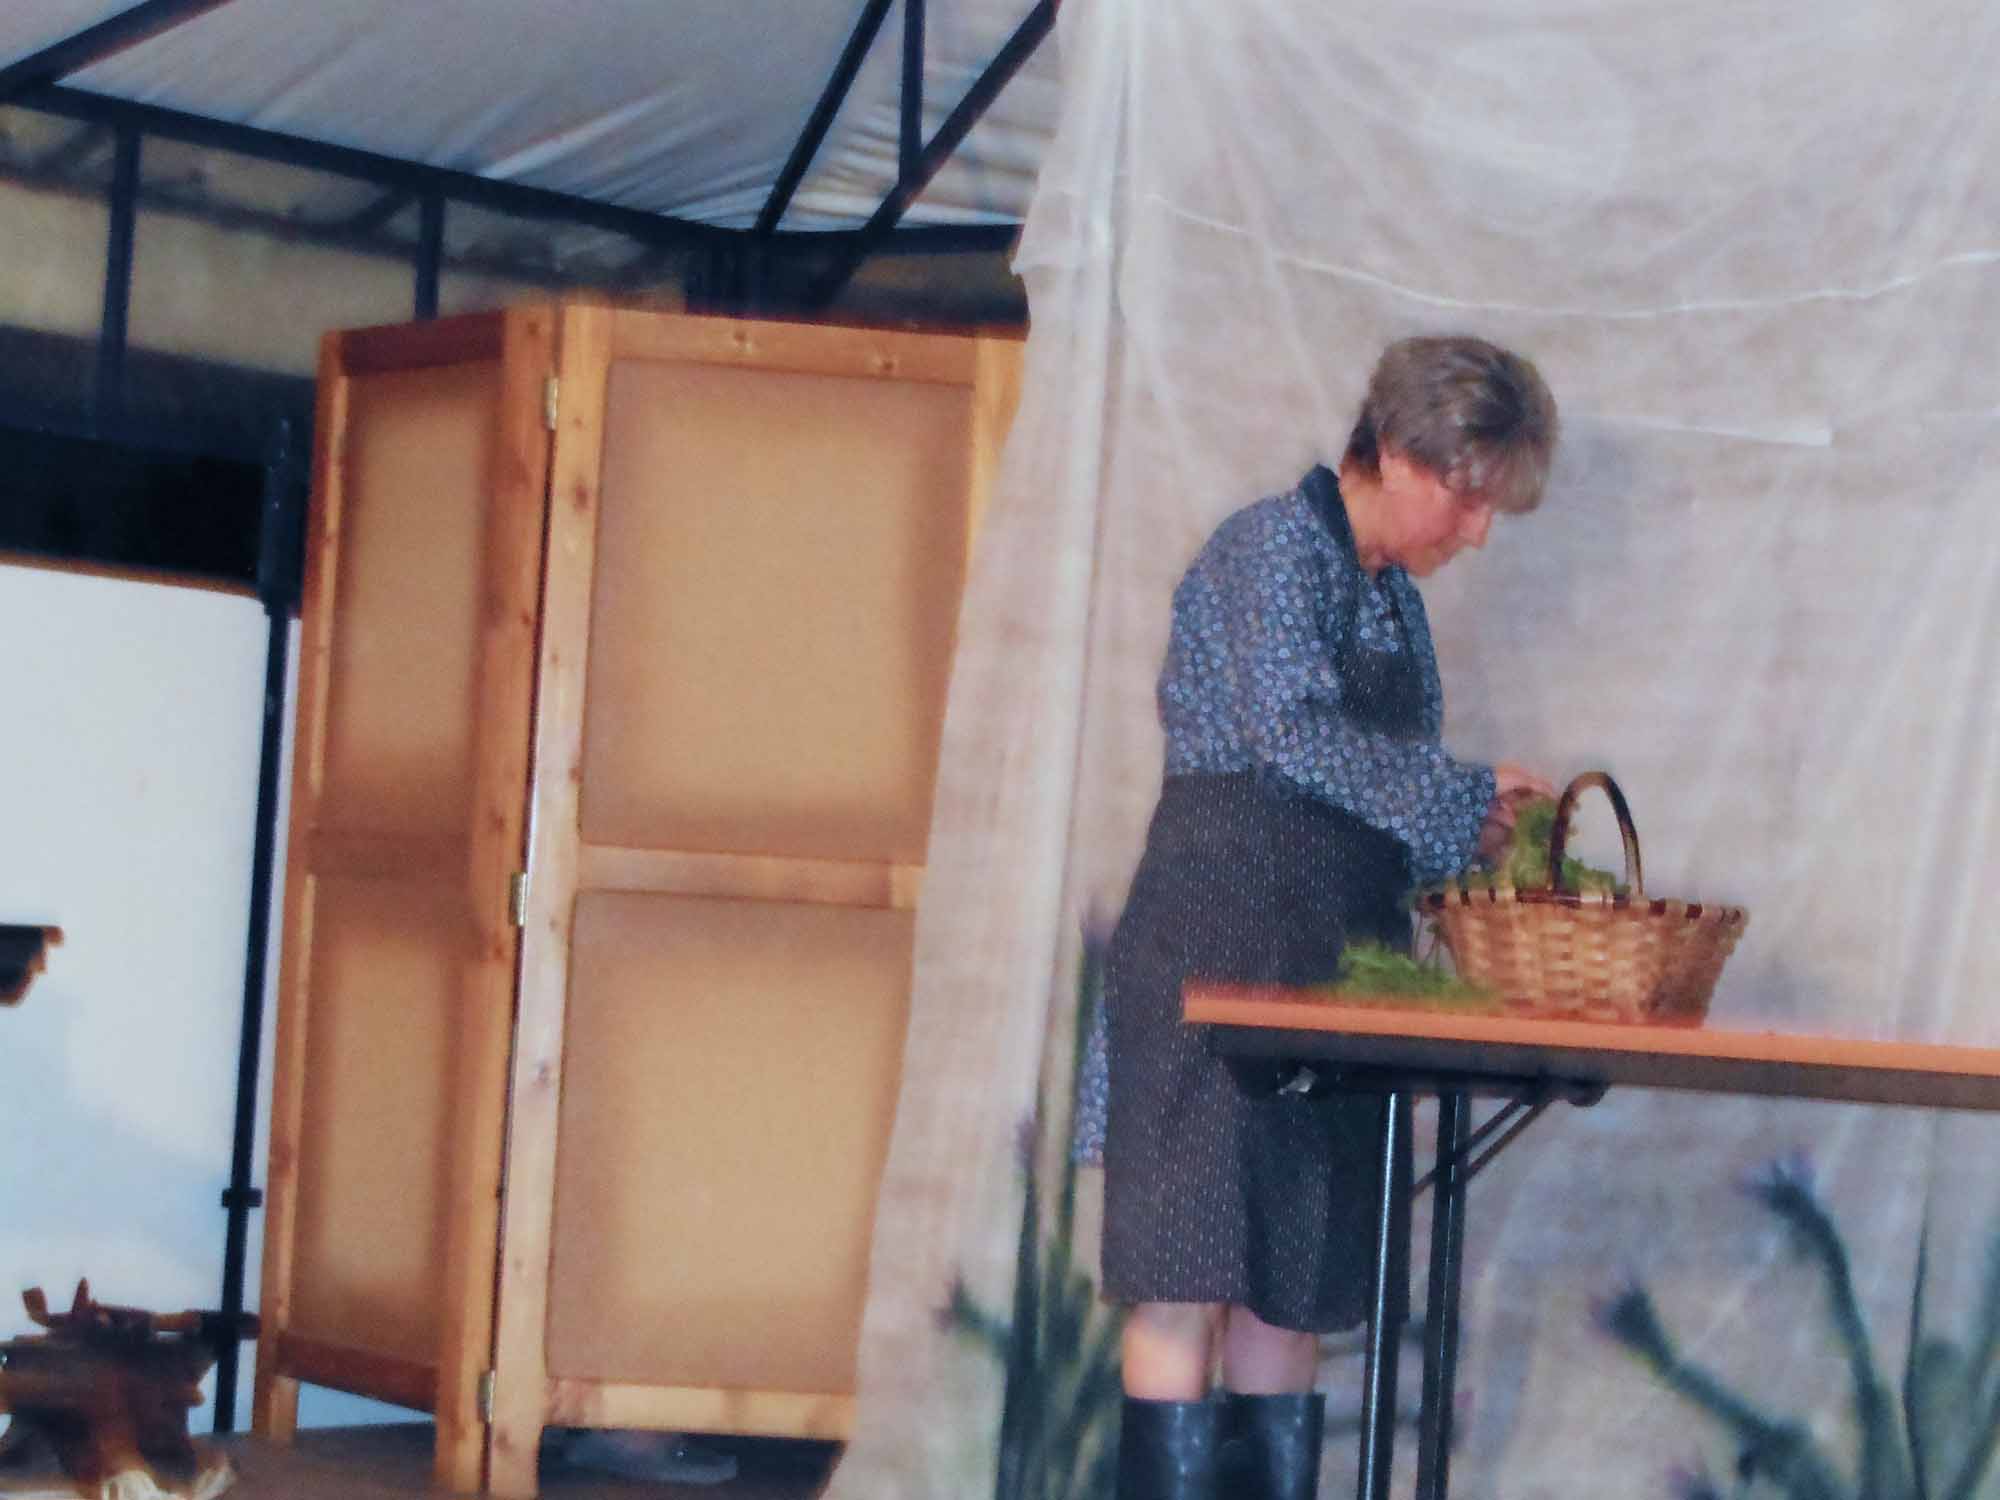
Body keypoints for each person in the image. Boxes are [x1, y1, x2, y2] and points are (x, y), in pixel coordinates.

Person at [1101, 335, 1559, 1500]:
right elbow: (1291, 733)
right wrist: (1454, 795)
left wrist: (1475, 828)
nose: (1476, 534)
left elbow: (1374, 795)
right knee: (1186, 1280)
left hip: (1328, 970)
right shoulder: (1267, 548)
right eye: (1465, 498)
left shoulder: (1392, 605)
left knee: (1288, 1290)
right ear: (1396, 453)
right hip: (1211, 958)